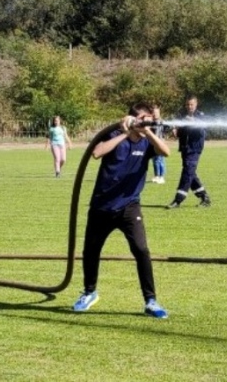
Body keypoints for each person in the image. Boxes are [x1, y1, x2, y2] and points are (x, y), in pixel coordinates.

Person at [71, 103, 170, 319]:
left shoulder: (147, 141)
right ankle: (89, 293)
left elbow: (166, 152)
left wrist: (148, 132)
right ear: (132, 118)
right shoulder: (116, 134)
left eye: (148, 118)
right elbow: (97, 153)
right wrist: (125, 134)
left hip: (129, 206)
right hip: (102, 206)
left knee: (141, 250)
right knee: (91, 251)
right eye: (142, 118)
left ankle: (151, 301)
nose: (146, 121)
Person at [167, 95, 212, 208]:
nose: (189, 106)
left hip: (195, 148)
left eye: (191, 104)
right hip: (184, 148)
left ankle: (178, 200)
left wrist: (194, 121)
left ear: (196, 104)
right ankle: (204, 197)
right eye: (187, 104)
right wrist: (175, 131)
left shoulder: (201, 116)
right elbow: (181, 132)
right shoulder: (182, 115)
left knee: (187, 172)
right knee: (190, 173)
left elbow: (204, 128)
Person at [149, 105, 168, 184]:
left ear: (159, 113)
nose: (155, 114)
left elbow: (165, 131)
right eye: (154, 112)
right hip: (153, 143)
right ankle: (156, 175)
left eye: (156, 112)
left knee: (160, 160)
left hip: (160, 143)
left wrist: (163, 139)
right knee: (155, 160)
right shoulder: (151, 122)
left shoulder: (161, 122)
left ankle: (161, 177)